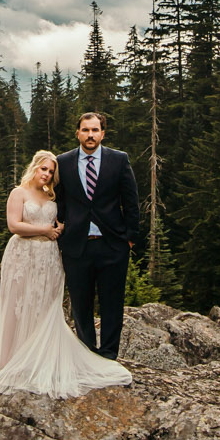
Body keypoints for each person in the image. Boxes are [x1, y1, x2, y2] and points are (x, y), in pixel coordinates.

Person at [0, 149, 132, 397]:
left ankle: (42, 355)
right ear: (34, 167)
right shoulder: (18, 192)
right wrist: (45, 230)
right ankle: (14, 356)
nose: (46, 174)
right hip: (23, 255)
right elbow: (14, 226)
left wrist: (63, 227)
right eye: (43, 168)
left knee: (45, 305)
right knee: (20, 303)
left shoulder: (51, 197)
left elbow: (65, 217)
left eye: (51, 171)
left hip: (48, 257)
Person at [55, 112, 140, 360]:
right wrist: (61, 235)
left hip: (112, 245)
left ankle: (109, 356)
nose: (90, 135)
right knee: (81, 305)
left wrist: (130, 238)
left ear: (103, 133)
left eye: (95, 130)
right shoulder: (64, 161)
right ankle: (87, 356)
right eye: (85, 130)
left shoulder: (119, 160)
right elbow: (59, 201)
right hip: (77, 246)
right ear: (78, 133)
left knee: (112, 304)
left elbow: (131, 202)